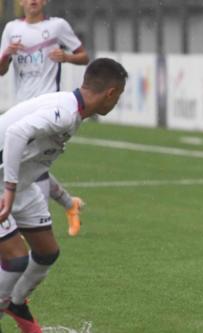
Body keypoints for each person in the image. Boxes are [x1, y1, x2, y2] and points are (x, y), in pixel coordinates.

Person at [0, 58, 127, 333]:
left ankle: (15, 302)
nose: (116, 102)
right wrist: (9, 189)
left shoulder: (72, 111)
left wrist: (65, 200)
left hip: (18, 182)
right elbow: (14, 133)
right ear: (111, 93)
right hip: (5, 182)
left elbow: (35, 163)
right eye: (119, 96)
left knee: (46, 251)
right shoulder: (64, 112)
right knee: (15, 258)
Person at [0, 0, 90, 237]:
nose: (33, 1)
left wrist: (66, 57)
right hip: (23, 107)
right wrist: (6, 54)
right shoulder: (11, 29)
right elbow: (1, 69)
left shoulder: (58, 26)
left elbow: (84, 56)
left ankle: (36, 227)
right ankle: (68, 205)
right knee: (29, 164)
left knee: (33, 167)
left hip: (50, 107)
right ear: (20, 1)